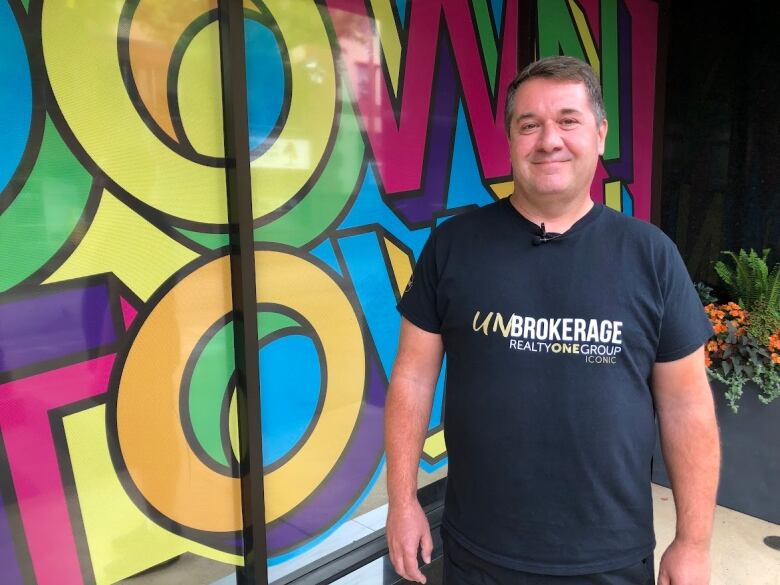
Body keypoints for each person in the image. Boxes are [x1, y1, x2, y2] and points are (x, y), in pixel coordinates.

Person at [385, 56, 720, 585]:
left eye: (568, 120)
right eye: (529, 124)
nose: (548, 140)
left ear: (600, 132)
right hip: (479, 552)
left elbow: (686, 404)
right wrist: (401, 501)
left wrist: (693, 542)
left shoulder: (651, 255)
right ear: (511, 140)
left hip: (609, 558)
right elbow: (412, 376)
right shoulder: (454, 245)